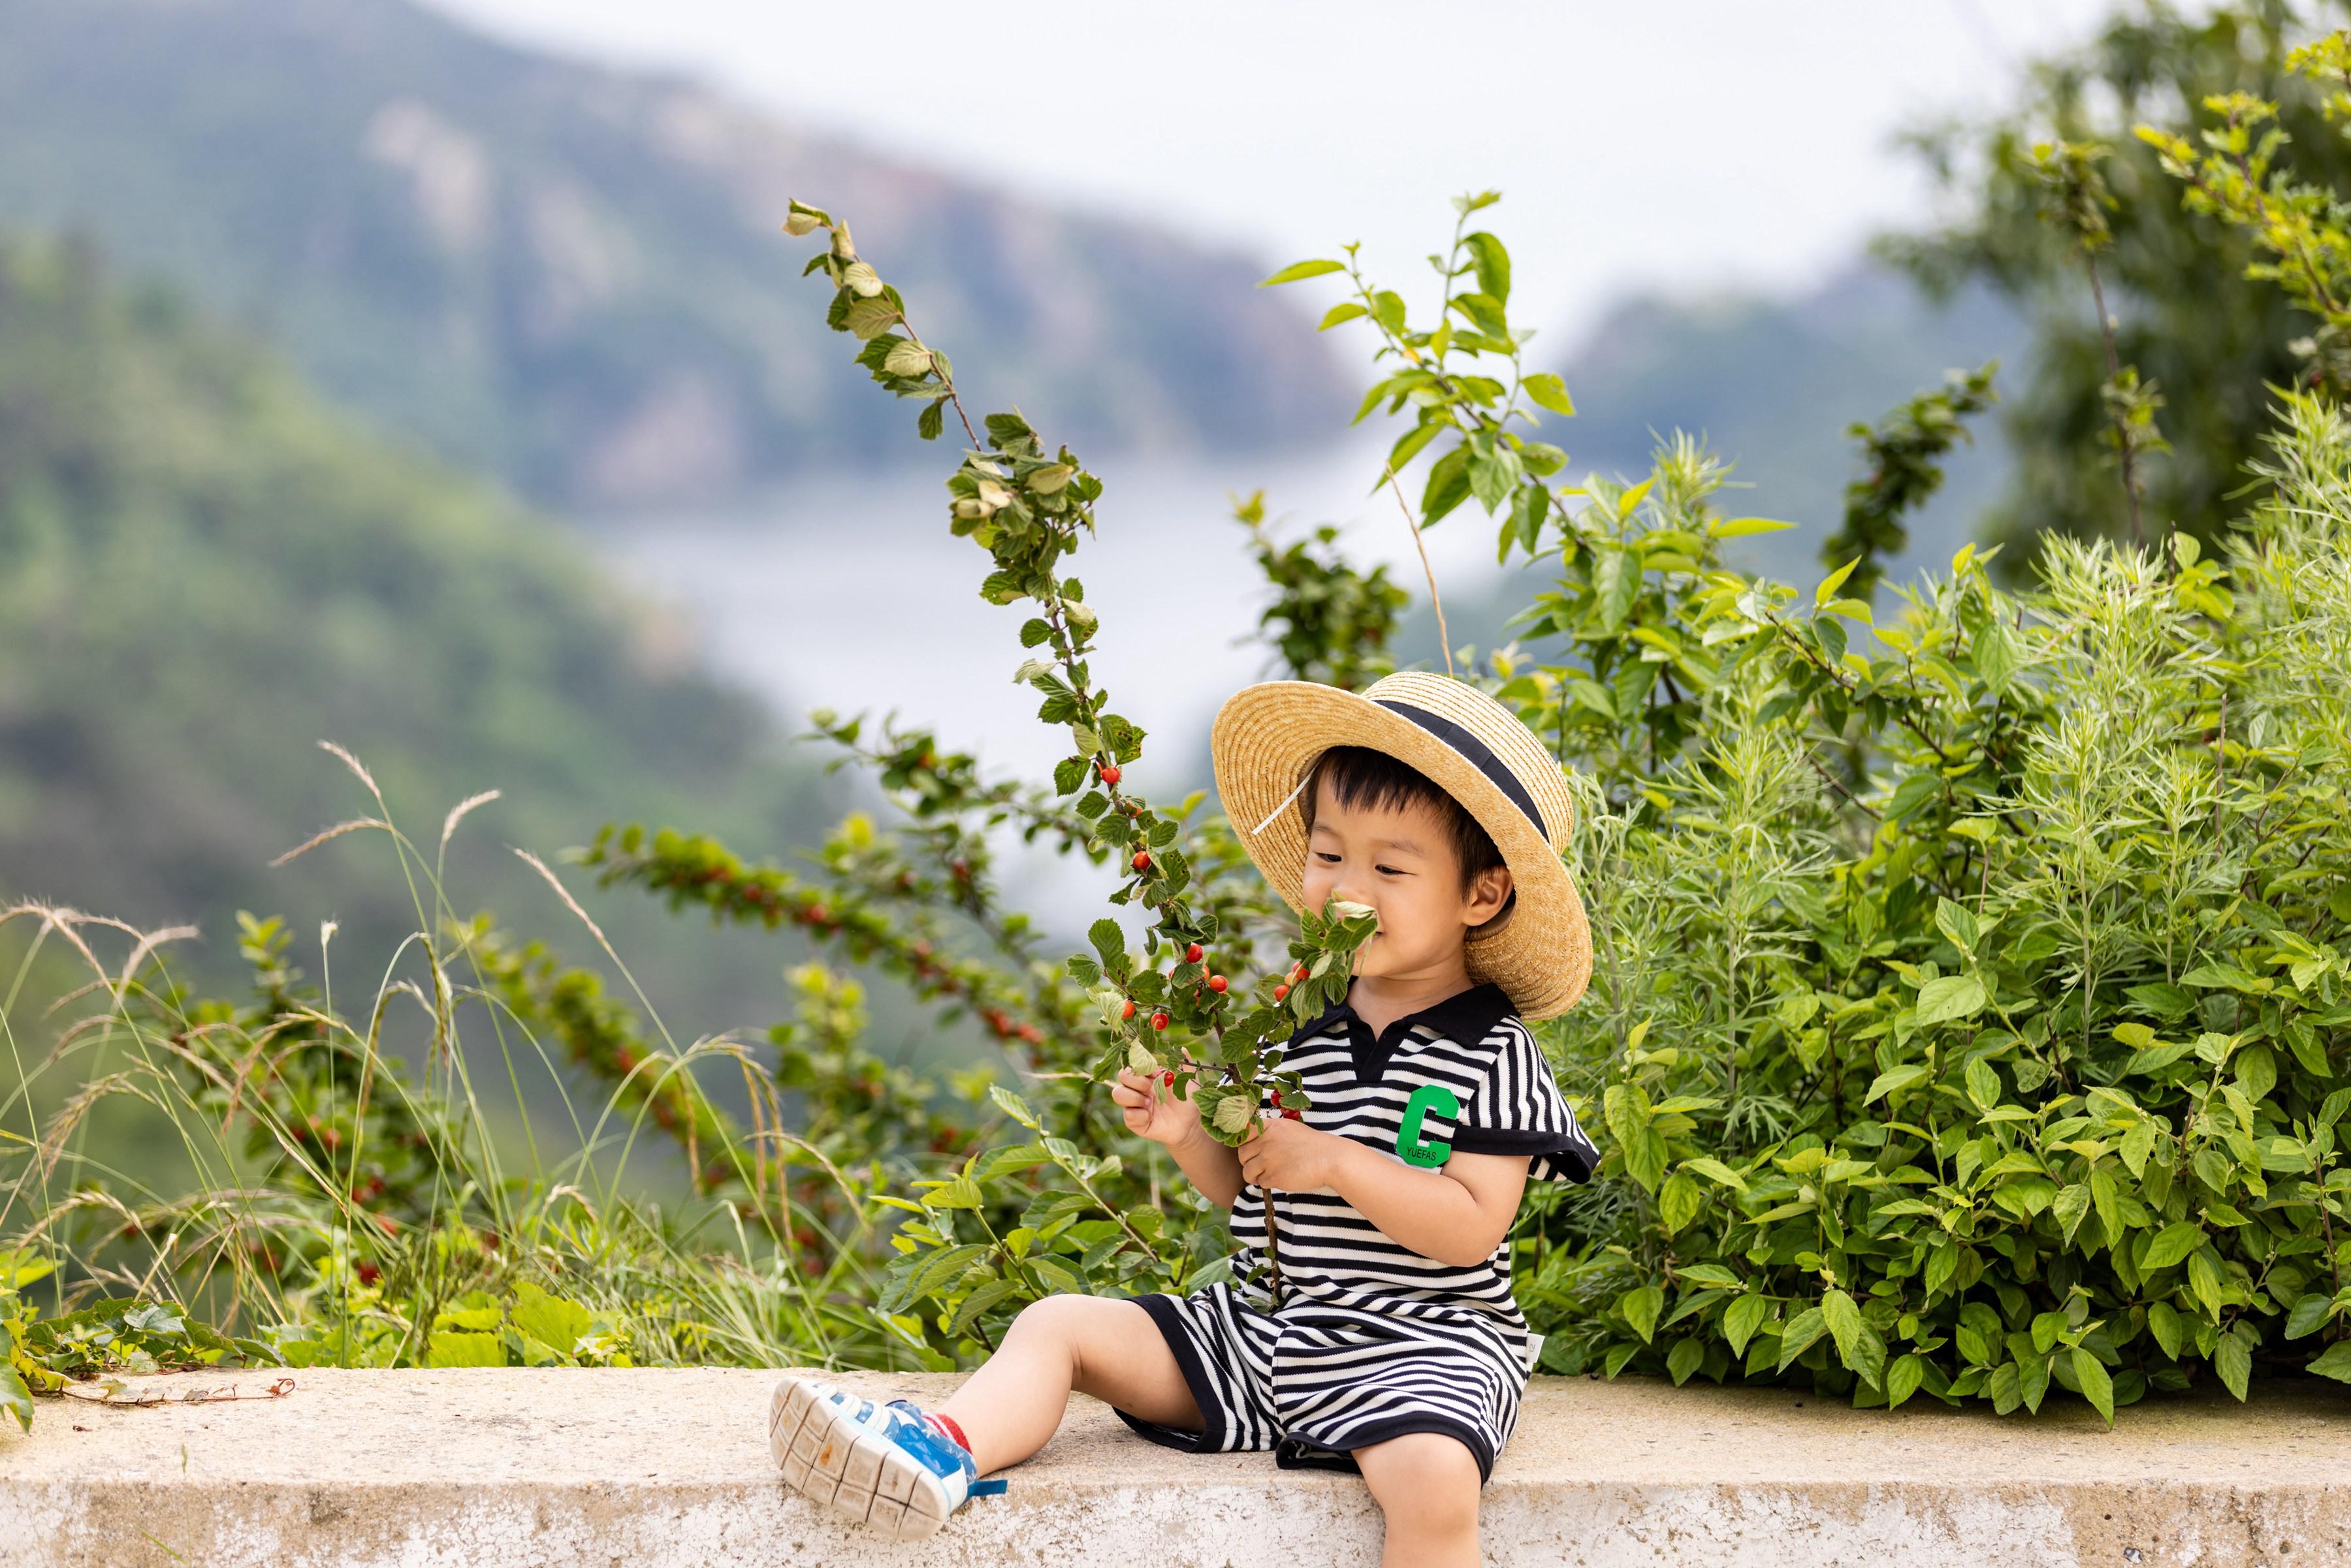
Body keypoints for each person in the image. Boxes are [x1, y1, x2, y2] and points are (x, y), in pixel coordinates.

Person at [768, 671, 1599, 1567]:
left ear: (1482, 895)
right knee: (1060, 1324)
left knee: (1438, 1481)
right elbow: (1253, 1184)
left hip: (1420, 1349)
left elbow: (1472, 1227)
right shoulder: (1297, 1024)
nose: (1348, 892)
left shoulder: (1490, 1048)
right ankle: (940, 1447)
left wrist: (1337, 1162)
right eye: (1329, 856)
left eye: (1391, 868)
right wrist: (1186, 1134)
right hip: (1262, 1329)